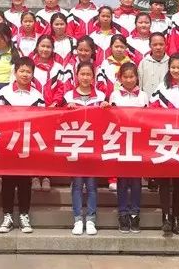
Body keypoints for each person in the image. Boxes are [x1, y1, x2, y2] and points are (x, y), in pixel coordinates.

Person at [0, 57, 45, 234]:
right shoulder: (4, 92)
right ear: (15, 72)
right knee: (8, 182)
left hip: (27, 145)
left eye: (28, 71)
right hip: (9, 144)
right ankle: (7, 216)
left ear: (33, 74)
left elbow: (42, 121)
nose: (25, 74)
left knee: (25, 182)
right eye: (22, 71)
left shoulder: (37, 95)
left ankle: (24, 215)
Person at [150, 54, 179, 235]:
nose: (176, 70)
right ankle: (165, 217)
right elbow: (152, 111)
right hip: (165, 139)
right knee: (164, 181)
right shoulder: (161, 88)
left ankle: (176, 218)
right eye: (173, 67)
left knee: (177, 182)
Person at [63, 61, 107, 235]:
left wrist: (106, 108)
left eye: (89, 74)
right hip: (75, 144)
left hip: (93, 146)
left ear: (93, 77)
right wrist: (67, 110)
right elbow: (59, 119)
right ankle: (77, 219)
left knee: (91, 185)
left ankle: (90, 219)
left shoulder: (101, 96)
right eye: (82, 74)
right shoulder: (68, 96)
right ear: (77, 75)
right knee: (77, 184)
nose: (85, 77)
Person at [109, 62, 148, 233]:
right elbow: (111, 117)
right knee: (123, 180)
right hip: (122, 141)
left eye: (132, 76)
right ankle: (123, 213)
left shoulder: (144, 96)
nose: (129, 80)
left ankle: (135, 213)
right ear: (120, 78)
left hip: (138, 142)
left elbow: (149, 118)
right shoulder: (115, 95)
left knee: (136, 181)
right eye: (125, 77)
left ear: (137, 77)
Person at [138, 32, 169, 96]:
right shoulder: (144, 63)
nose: (158, 47)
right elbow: (139, 84)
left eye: (161, 44)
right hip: (148, 99)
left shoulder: (170, 62)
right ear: (150, 45)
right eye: (155, 45)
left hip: (166, 101)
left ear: (166, 45)